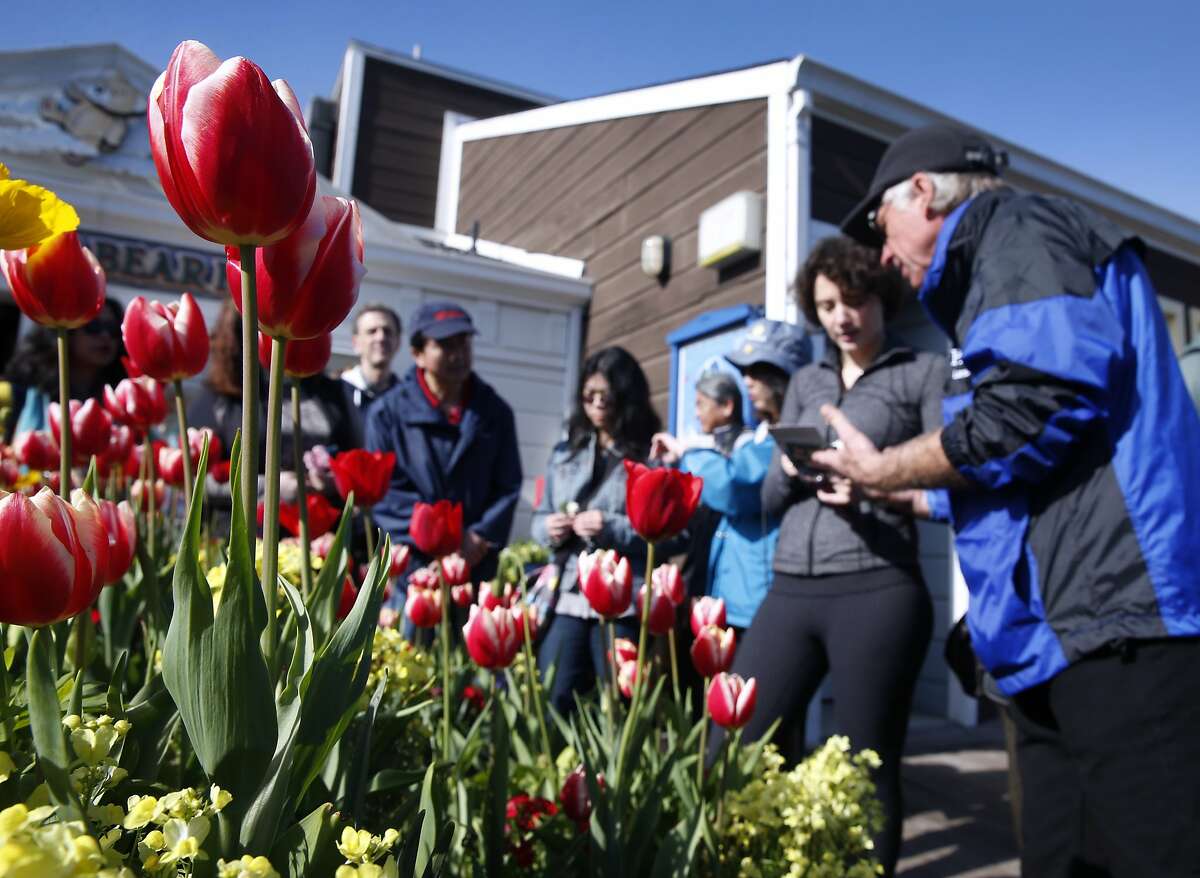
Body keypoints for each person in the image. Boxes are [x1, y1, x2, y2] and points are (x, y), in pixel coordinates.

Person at [824, 124, 1200, 877]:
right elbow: (1017, 472)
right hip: (1049, 644)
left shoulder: (1017, 230)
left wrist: (886, 469)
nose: (883, 256)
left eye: (879, 227)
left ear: (923, 193)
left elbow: (1034, 408)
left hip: (1118, 625)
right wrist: (907, 501)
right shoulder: (983, 285)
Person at [724, 239, 945, 877]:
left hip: (878, 587)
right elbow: (768, 495)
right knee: (738, 739)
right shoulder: (808, 383)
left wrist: (879, 486)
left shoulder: (921, 373)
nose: (841, 317)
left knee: (866, 764)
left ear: (880, 298)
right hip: (792, 582)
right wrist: (791, 464)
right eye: (826, 305)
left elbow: (950, 482)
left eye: (854, 300)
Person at [651, 321, 812, 634]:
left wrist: (687, 453)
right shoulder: (760, 438)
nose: (747, 380)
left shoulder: (785, 438)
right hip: (736, 594)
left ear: (784, 376)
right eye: (745, 371)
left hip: (757, 599)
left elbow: (734, 487)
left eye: (758, 370)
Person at [531, 346, 664, 714]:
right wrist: (550, 528)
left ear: (626, 396)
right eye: (589, 397)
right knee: (556, 694)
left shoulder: (649, 457)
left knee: (620, 702)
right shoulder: (565, 452)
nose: (596, 405)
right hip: (569, 591)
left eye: (606, 396)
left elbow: (668, 536)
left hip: (623, 594)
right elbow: (538, 520)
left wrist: (611, 527)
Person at [366, 300, 521, 583]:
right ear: (418, 354)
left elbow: (508, 485)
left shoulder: (494, 412)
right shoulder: (388, 414)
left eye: (463, 344)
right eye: (446, 346)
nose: (458, 355)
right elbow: (386, 492)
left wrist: (477, 536)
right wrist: (440, 536)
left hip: (474, 562)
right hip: (414, 564)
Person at [188, 300, 357, 528]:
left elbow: (354, 460)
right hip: (244, 533)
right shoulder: (219, 398)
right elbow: (196, 481)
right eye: (261, 325)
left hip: (318, 532)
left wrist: (333, 480)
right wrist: (269, 487)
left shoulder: (332, 394)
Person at [3, 297, 127, 437]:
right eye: (94, 326)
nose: (105, 336)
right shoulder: (19, 393)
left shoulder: (124, 401)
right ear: (68, 329)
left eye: (113, 329)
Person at [341, 303, 402, 448]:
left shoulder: (407, 400)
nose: (381, 337)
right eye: (372, 331)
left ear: (398, 342)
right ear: (356, 343)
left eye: (387, 331)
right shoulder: (337, 395)